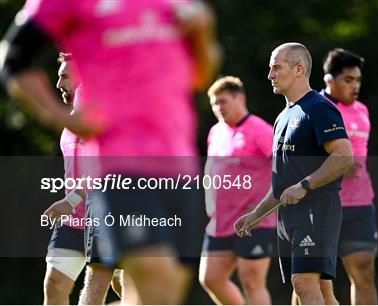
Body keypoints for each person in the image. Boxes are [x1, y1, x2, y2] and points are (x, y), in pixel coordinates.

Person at [0, 1, 220, 304]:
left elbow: (199, 74)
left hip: (179, 167)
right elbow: (14, 56)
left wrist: (203, 33)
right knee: (155, 285)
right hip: (120, 165)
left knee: (162, 295)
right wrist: (60, 116)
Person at [234, 42, 354, 305]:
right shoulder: (281, 118)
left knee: (303, 283)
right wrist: (255, 215)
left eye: (276, 68)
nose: (270, 75)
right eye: (270, 69)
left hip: (317, 209)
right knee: (320, 290)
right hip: (287, 217)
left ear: (299, 69)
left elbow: (344, 155)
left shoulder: (319, 108)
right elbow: (282, 184)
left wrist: (305, 185)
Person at [199, 76, 275, 304]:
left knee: (252, 281)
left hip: (254, 221)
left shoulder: (260, 130)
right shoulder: (216, 132)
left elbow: (284, 167)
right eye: (214, 103)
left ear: (239, 98)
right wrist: (209, 203)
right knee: (210, 278)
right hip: (221, 221)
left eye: (223, 101)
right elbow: (210, 167)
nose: (218, 108)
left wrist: (267, 204)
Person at [320, 48, 378, 305]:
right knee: (312, 279)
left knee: (364, 273)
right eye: (348, 80)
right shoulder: (313, 109)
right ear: (329, 80)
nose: (355, 86)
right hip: (321, 206)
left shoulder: (362, 111)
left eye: (358, 80)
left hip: (359, 204)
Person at [41, 52, 88, 305]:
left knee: (119, 288)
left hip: (107, 217)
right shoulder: (69, 122)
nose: (59, 84)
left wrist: (68, 201)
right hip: (72, 220)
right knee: (54, 284)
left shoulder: (95, 118)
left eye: (65, 77)